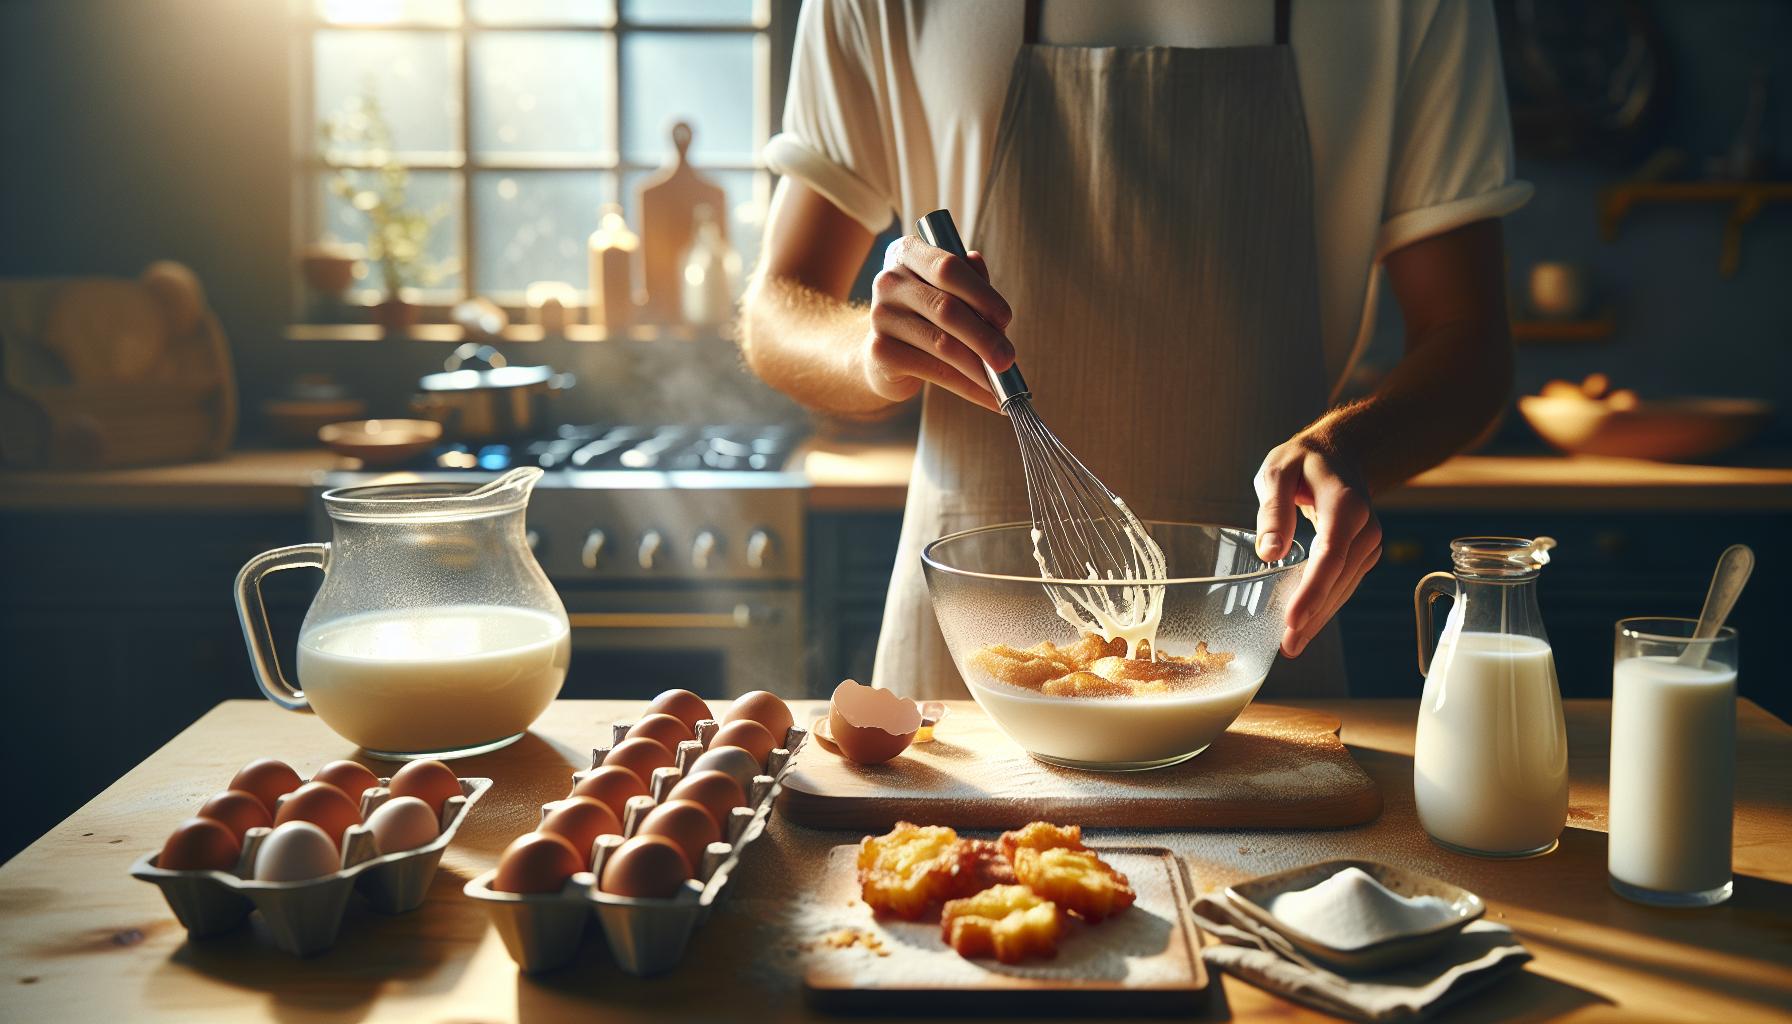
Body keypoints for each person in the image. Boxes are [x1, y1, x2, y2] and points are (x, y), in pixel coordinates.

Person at [741, 0, 1530, 699]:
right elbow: (777, 309)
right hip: (970, 654)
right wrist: (869, 354)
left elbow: (1471, 346)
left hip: (1257, 632)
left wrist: (1352, 444)